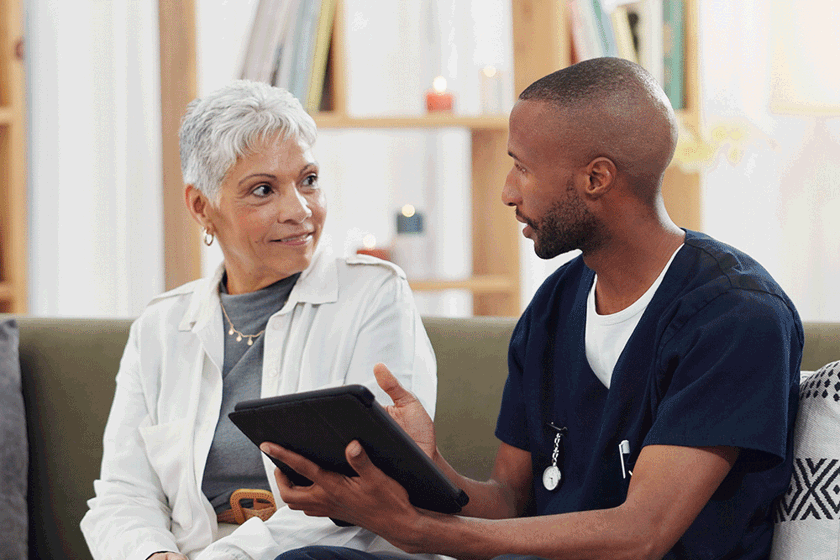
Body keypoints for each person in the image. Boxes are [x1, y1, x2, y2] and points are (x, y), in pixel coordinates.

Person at [260, 58, 803, 560]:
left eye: (522, 168)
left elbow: (642, 534)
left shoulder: (737, 317)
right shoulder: (557, 301)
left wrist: (422, 530)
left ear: (596, 178)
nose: (507, 192)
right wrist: (425, 468)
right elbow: (510, 502)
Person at [80, 80, 439, 560]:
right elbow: (124, 494)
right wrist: (153, 555)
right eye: (263, 190)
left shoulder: (374, 295)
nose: (300, 210)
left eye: (308, 180)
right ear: (201, 207)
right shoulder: (160, 328)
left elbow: (365, 495)